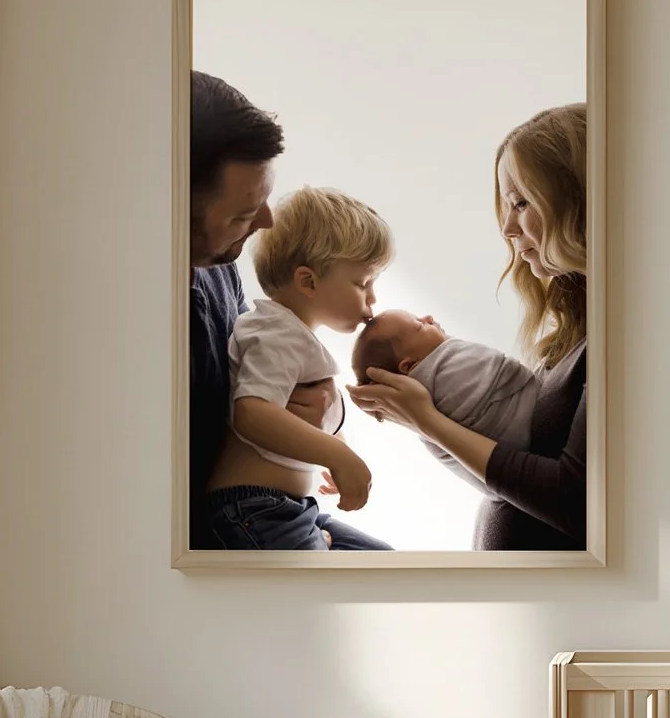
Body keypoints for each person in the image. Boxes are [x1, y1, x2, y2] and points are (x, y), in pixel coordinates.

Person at [348, 104, 588, 551]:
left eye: (522, 202)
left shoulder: (621, 340)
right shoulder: (579, 334)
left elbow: (574, 501)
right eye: (505, 205)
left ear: (575, 202)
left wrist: (425, 420)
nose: (507, 227)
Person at [188, 71, 338, 549]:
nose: (268, 221)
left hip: (284, 506)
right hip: (229, 527)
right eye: (242, 214)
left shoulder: (217, 268)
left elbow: (252, 383)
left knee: (398, 577)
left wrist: (314, 409)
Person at [205, 187, 395, 550]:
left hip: (283, 508)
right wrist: (336, 454)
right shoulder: (276, 333)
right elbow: (252, 413)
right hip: (256, 509)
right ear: (308, 281)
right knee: (340, 587)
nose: (372, 298)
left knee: (383, 563)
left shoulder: (291, 333)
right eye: (362, 283)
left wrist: (332, 444)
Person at [350, 309, 539, 498]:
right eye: (419, 325)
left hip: (513, 473)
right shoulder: (442, 374)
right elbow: (501, 366)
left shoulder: (417, 412)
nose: (429, 318)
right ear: (408, 366)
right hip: (528, 450)